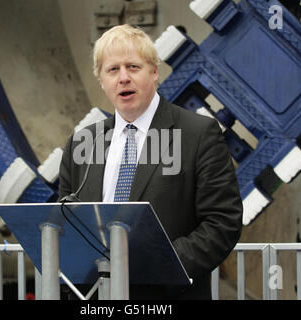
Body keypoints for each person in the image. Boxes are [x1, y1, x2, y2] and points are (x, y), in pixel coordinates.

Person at [59, 24, 243, 299]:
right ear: (102, 80)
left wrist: (159, 261)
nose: (123, 78)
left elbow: (222, 223)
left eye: (133, 67)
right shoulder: (82, 143)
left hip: (166, 295)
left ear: (154, 72)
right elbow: (66, 221)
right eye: (112, 70)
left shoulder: (198, 134)